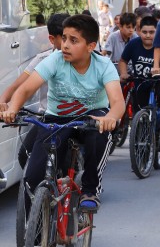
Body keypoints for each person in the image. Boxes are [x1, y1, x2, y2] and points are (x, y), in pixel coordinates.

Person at [1, 14, 125, 212]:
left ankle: (90, 190)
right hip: (56, 119)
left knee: (99, 135)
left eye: (73, 40)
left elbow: (118, 102)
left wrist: (110, 117)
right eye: (64, 38)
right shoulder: (55, 60)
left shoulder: (103, 65)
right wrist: (13, 109)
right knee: (32, 179)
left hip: (91, 117)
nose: (65, 45)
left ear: (90, 46)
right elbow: (25, 89)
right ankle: (32, 231)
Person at [0, 13, 69, 168]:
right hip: (47, 118)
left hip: (72, 119)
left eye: (73, 38)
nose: (68, 44)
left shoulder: (81, 59)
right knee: (24, 154)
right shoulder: (42, 59)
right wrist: (4, 102)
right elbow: (20, 86)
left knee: (65, 158)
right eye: (64, 38)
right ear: (52, 39)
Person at [118, 16, 160, 111]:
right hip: (138, 84)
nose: (148, 35)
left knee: (157, 113)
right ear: (139, 31)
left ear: (157, 31)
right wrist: (124, 73)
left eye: (152, 32)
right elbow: (123, 61)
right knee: (137, 112)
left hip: (157, 85)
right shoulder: (133, 44)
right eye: (144, 32)